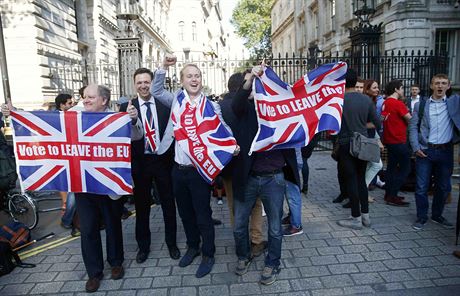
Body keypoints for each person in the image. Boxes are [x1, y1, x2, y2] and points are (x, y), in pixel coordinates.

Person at [152, 55, 238, 278]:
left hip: (199, 171)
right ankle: (193, 247)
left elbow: (223, 129)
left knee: (203, 214)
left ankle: (208, 253)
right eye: (189, 76)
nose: (194, 79)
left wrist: (232, 145)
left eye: (197, 76)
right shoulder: (176, 102)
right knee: (186, 214)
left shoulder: (211, 106)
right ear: (181, 80)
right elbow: (156, 91)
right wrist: (163, 67)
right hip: (178, 169)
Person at [231, 65, 300, 285]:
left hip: (274, 178)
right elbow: (236, 103)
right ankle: (243, 256)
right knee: (240, 223)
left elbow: (305, 131)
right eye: (254, 85)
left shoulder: (283, 109)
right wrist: (250, 77)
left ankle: (273, 263)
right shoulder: (246, 108)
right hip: (249, 177)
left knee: (275, 227)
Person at [119, 67, 179, 262]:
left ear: (152, 83)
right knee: (142, 207)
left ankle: (172, 244)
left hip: (163, 162)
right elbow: (121, 138)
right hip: (140, 164)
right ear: (134, 84)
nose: (143, 86)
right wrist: (131, 120)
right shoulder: (126, 108)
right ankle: (143, 247)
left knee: (169, 205)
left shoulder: (164, 104)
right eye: (139, 82)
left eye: (147, 82)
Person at [219, 71, 266, 257]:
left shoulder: (219, 107)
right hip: (251, 164)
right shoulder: (250, 105)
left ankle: (240, 239)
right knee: (255, 204)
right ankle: (256, 239)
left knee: (234, 205)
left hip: (229, 165)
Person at [408, 74, 460, 230]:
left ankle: (437, 215)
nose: (440, 86)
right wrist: (416, 147)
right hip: (426, 151)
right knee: (422, 186)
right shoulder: (421, 105)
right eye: (437, 83)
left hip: (446, 151)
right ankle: (421, 217)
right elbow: (412, 127)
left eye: (444, 83)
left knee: (444, 187)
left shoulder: (454, 103)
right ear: (431, 86)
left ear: (449, 86)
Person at [336, 69, 381, 230]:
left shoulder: (338, 101)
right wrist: (363, 126)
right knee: (361, 179)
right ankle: (366, 217)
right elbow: (378, 123)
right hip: (362, 143)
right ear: (356, 82)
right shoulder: (366, 100)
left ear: (342, 82)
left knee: (351, 181)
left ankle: (355, 217)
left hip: (346, 144)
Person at [381, 80, 412, 206]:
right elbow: (410, 119)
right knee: (406, 168)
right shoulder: (398, 104)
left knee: (391, 168)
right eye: (402, 88)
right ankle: (392, 195)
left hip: (389, 140)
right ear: (396, 89)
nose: (403, 91)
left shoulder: (385, 103)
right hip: (399, 140)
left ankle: (389, 194)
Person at [55, 94, 78, 232]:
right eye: (69, 103)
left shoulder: (73, 116)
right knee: (74, 191)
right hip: (64, 159)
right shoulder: (55, 119)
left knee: (74, 190)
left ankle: (70, 219)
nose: (71, 105)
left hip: (73, 158)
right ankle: (68, 219)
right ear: (62, 105)